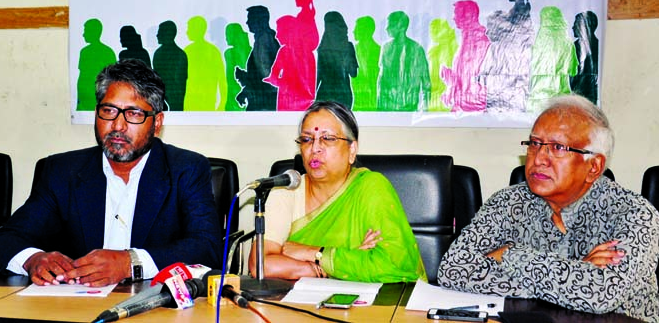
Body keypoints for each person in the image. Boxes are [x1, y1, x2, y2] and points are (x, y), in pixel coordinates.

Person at [0, 59, 222, 286]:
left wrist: (130, 263)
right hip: (75, 308)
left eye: (133, 114)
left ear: (157, 122)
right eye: (109, 110)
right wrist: (33, 260)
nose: (118, 126)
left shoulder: (186, 169)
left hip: (153, 307)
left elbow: (206, 248)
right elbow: (7, 239)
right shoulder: (62, 171)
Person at [438, 95, 659, 322]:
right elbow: (453, 269)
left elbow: (600, 294)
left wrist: (508, 254)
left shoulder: (636, 216)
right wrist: (575, 274)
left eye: (558, 147)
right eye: (535, 144)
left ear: (594, 166)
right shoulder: (508, 202)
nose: (539, 158)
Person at [248, 100, 426, 282]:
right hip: (299, 303)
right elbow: (260, 264)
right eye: (307, 139)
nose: (315, 148)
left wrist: (315, 254)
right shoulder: (287, 192)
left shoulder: (372, 188)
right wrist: (336, 264)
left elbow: (396, 265)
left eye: (328, 139)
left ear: (352, 150)